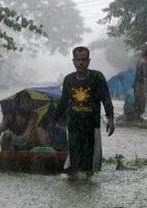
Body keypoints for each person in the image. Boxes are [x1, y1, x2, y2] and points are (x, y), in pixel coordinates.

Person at [49, 46, 115, 180]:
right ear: (73, 61)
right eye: (78, 60)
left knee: (90, 166)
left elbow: (106, 99)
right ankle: (74, 187)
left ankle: (88, 188)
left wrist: (111, 119)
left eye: (83, 60)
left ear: (88, 61)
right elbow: (63, 102)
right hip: (74, 125)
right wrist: (53, 120)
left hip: (92, 126)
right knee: (74, 161)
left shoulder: (97, 77)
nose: (81, 63)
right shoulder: (69, 80)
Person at [133, 47, 147, 122]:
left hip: (136, 82)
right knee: (140, 100)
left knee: (138, 99)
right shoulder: (144, 62)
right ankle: (136, 117)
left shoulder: (139, 60)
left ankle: (137, 116)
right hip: (140, 83)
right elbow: (145, 73)